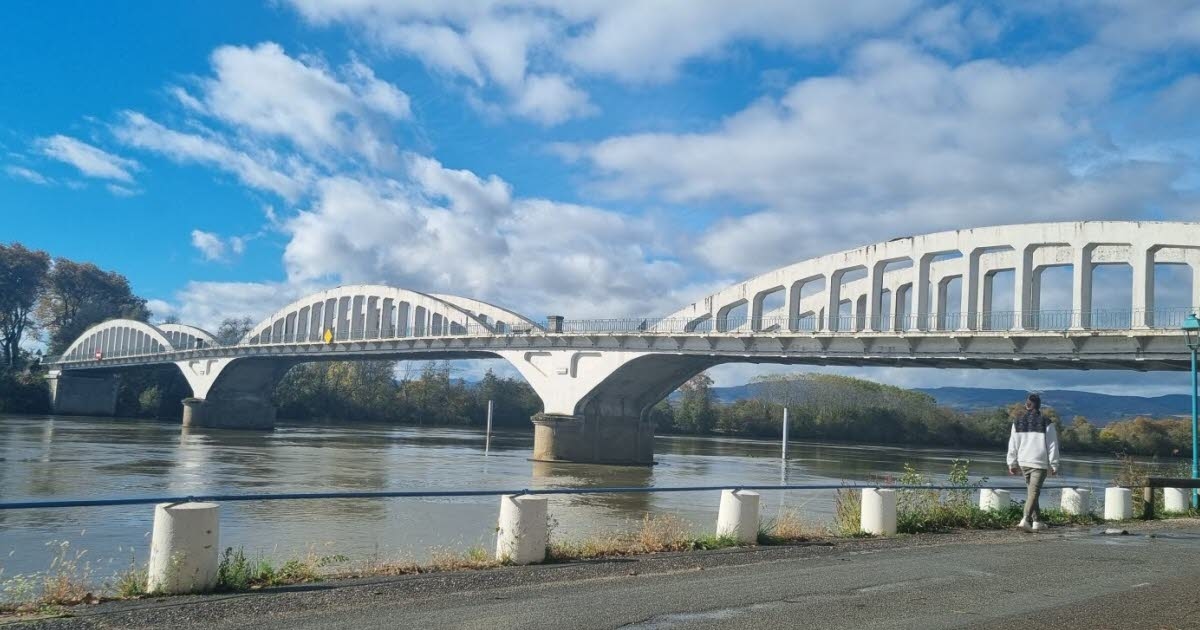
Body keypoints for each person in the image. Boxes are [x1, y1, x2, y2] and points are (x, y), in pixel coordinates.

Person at [1007, 393, 1059, 532]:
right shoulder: (1046, 422)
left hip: (1023, 462)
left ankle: (1037, 521)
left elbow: (1013, 444)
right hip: (1039, 463)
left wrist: (1011, 463)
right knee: (1034, 492)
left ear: (1027, 405)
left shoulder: (1017, 422)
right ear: (1039, 405)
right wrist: (1054, 464)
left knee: (1032, 492)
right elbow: (1052, 445)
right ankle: (1025, 520)